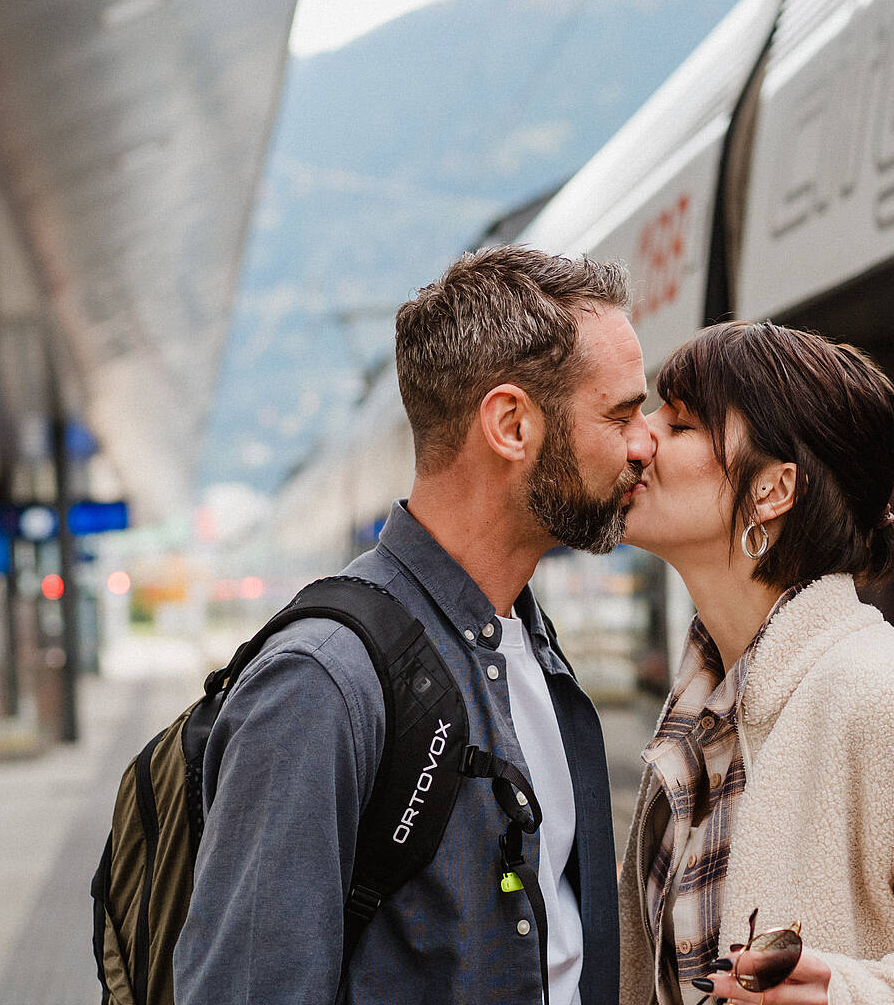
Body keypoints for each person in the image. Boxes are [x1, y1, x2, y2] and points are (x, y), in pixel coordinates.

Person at [175, 246, 650, 1005]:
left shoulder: (529, 640)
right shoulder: (320, 683)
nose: (643, 442)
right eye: (621, 413)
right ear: (510, 424)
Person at [616, 322, 894, 1005]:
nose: (640, 435)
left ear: (772, 490)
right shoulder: (704, 707)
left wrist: (842, 994)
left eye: (678, 424)